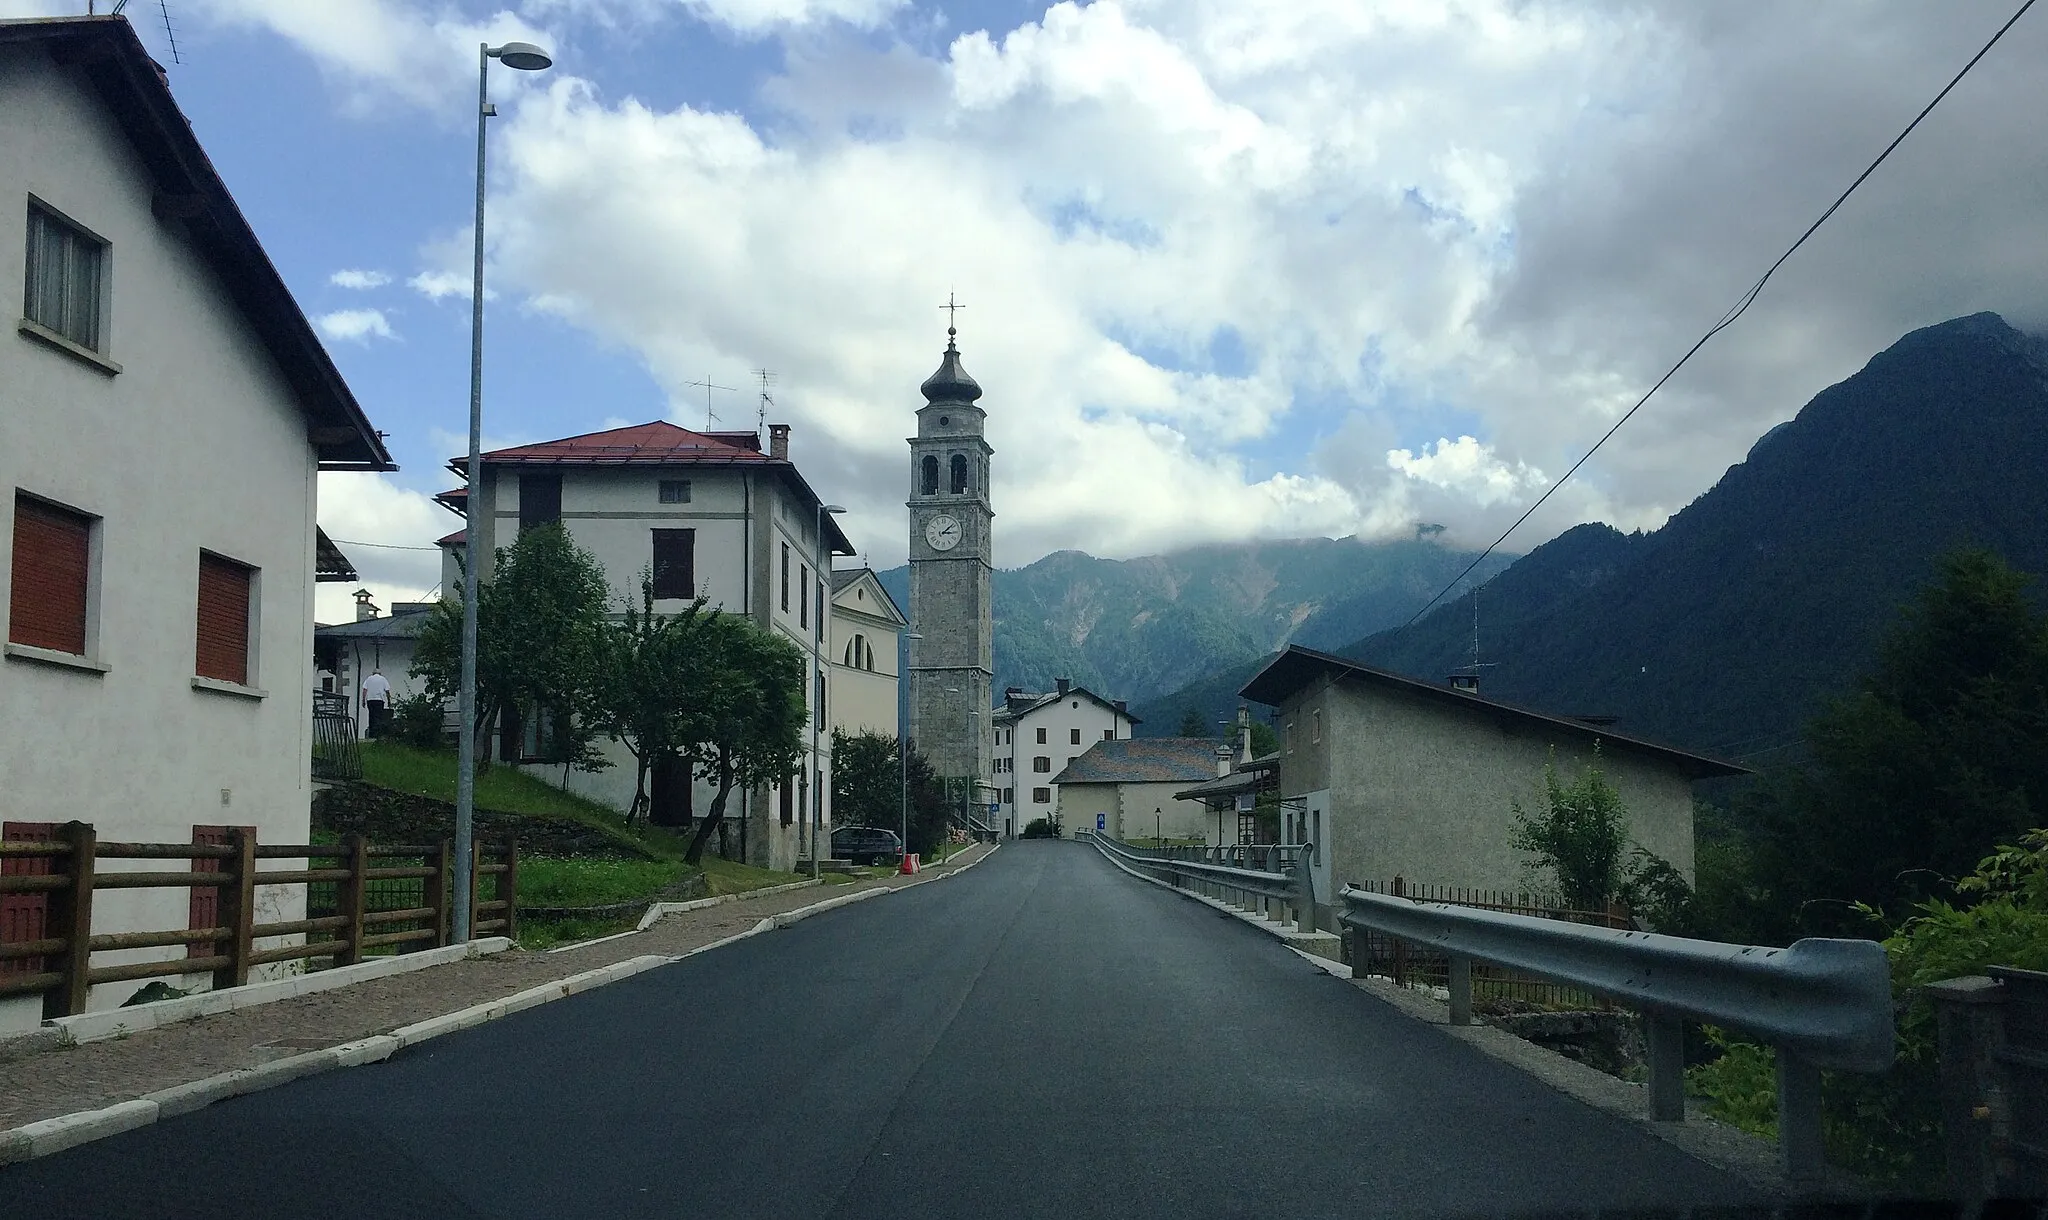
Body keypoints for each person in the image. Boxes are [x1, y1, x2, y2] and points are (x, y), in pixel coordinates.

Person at [361, 668, 392, 739]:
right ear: (380, 673)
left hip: (370, 700)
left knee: (371, 716)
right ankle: (378, 734)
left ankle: (371, 734)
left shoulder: (368, 679)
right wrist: (389, 701)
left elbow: (364, 690)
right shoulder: (383, 679)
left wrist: (363, 700)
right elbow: (387, 690)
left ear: (373, 673)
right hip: (379, 700)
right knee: (378, 716)